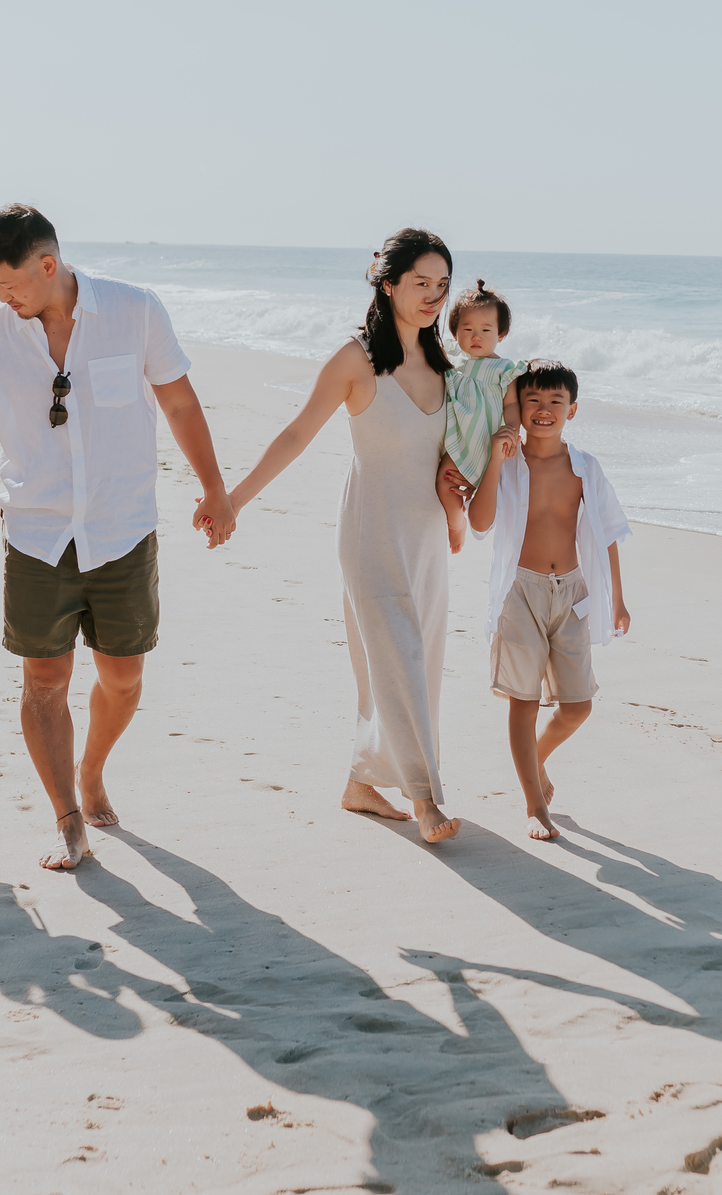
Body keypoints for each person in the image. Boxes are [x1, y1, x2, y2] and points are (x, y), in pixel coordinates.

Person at [0, 204, 235, 873]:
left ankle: (92, 767)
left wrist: (214, 488)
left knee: (123, 679)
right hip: (37, 534)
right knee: (44, 679)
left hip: (122, 528)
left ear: (48, 265)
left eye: (10, 284)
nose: (3, 298)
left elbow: (180, 402)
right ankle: (69, 819)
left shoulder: (135, 311)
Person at [226, 228, 461, 846]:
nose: (434, 296)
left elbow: (460, 455)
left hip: (429, 539)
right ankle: (425, 798)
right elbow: (297, 434)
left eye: (442, 285)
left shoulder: (444, 365)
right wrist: (234, 499)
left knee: (420, 665)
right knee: (398, 663)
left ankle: (362, 782)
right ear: (388, 284)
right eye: (421, 283)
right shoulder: (356, 360)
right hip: (372, 533)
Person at [467, 362, 631, 842]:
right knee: (524, 699)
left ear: (572, 411)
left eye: (555, 402)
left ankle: (534, 762)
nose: (543, 411)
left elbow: (608, 534)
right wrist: (496, 460)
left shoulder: (585, 467)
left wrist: (618, 599)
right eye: (533, 401)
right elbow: (479, 523)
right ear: (519, 408)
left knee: (578, 706)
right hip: (519, 591)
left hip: (573, 593)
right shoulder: (508, 463)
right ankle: (535, 805)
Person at [435, 279, 526, 553]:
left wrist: (511, 428)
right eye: (468, 329)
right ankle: (455, 523)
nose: (476, 336)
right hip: (458, 435)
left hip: (484, 439)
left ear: (500, 334)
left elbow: (511, 405)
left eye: (486, 329)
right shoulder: (452, 360)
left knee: (485, 493)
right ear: (455, 333)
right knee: (444, 482)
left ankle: (474, 523)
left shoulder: (503, 369)